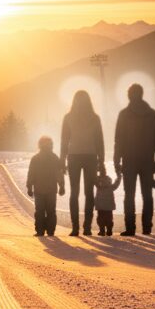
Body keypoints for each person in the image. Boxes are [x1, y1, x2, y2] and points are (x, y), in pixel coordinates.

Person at [113, 83, 155, 236]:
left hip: (129, 160)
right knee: (147, 195)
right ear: (142, 95)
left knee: (129, 195)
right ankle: (147, 228)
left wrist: (117, 161)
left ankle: (130, 228)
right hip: (148, 160)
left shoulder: (124, 114)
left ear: (129, 95)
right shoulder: (153, 114)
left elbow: (119, 140)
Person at [60, 89, 104, 236]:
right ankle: (87, 227)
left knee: (74, 192)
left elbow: (64, 141)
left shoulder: (68, 117)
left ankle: (75, 228)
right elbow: (100, 142)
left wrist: (62, 160)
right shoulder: (95, 118)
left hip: (74, 157)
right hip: (91, 157)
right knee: (89, 193)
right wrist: (101, 161)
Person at [26, 135, 66, 237]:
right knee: (51, 211)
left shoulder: (35, 158)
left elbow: (31, 173)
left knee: (40, 211)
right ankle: (50, 231)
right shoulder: (54, 158)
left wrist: (29, 187)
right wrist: (61, 185)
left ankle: (40, 231)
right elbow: (59, 173)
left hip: (39, 189)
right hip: (51, 189)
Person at [93, 167, 122, 236]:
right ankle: (109, 230)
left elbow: (93, 177)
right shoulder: (110, 186)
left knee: (100, 219)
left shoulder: (98, 183)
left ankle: (102, 230)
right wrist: (119, 176)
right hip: (109, 206)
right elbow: (116, 183)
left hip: (100, 205)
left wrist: (95, 170)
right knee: (109, 218)